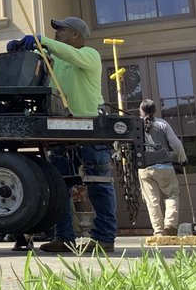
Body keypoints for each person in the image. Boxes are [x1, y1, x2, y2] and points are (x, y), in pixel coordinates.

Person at [8, 16, 117, 254]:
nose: (56, 33)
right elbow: (43, 60)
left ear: (77, 34)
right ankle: (64, 237)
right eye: (55, 31)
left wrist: (42, 40)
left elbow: (65, 54)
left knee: (99, 184)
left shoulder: (89, 55)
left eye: (62, 30)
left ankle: (105, 238)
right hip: (62, 128)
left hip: (91, 128)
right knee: (59, 187)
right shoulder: (58, 57)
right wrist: (20, 50)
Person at [137, 98, 187, 236]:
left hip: (145, 168)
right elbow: (176, 144)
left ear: (140, 111)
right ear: (154, 110)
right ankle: (170, 224)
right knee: (172, 194)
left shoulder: (136, 126)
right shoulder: (162, 124)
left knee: (152, 200)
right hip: (165, 166)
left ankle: (158, 231)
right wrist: (183, 159)